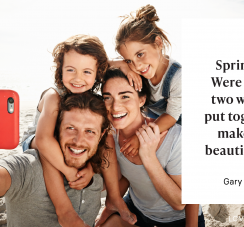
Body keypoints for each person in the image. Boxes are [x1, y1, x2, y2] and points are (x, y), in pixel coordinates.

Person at [21, 35, 136, 226]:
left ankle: (114, 198)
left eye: (86, 72)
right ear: (60, 69)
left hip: (69, 139)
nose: (78, 78)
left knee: (105, 135)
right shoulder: (53, 96)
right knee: (50, 148)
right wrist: (68, 171)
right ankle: (64, 211)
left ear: (97, 73)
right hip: (37, 140)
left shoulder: (89, 96)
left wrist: (90, 167)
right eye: (70, 70)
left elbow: (93, 142)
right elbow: (42, 140)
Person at [96, 68, 205, 227]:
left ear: (141, 100)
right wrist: (107, 211)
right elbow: (128, 175)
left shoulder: (173, 137)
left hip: (176, 220)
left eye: (125, 96)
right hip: (138, 209)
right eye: (107, 98)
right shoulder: (111, 135)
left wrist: (148, 156)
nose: (115, 107)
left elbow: (180, 203)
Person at [0, 93, 109, 227]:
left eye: (90, 131)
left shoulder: (99, 171)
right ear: (56, 130)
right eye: (71, 128)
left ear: (101, 135)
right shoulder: (29, 167)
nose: (78, 141)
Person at [113, 4, 182, 159]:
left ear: (158, 43)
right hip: (155, 119)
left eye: (140, 54)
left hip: (178, 121)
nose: (137, 66)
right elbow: (103, 63)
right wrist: (123, 66)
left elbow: (172, 116)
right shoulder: (134, 67)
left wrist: (140, 137)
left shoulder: (177, 76)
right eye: (129, 60)